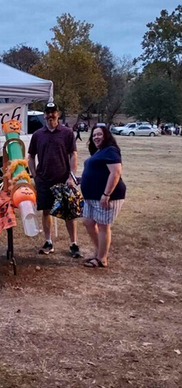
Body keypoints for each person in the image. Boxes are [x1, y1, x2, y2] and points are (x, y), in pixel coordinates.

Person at [28, 102, 81, 257]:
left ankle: (74, 244)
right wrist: (35, 175)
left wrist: (71, 176)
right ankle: (48, 242)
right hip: (44, 180)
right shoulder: (38, 135)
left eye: (53, 112)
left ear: (58, 114)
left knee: (69, 213)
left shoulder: (67, 133)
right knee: (46, 211)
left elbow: (73, 154)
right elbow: (31, 156)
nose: (50, 115)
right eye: (48, 112)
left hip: (63, 179)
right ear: (44, 115)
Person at [80, 126, 126, 268]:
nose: (96, 137)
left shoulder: (110, 150)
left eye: (99, 134)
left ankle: (101, 258)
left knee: (103, 226)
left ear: (106, 135)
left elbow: (115, 173)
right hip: (91, 197)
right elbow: (96, 172)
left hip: (106, 197)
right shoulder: (99, 152)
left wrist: (106, 194)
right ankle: (100, 251)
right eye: (94, 135)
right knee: (88, 222)